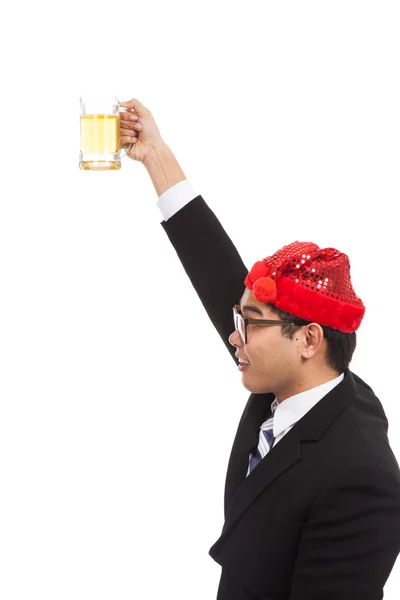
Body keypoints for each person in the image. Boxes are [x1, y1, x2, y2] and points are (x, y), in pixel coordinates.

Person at [119, 98, 400, 599]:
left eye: (248, 324)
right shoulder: (302, 381)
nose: (234, 338)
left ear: (309, 339)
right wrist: (155, 155)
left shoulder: (362, 479)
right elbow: (216, 270)